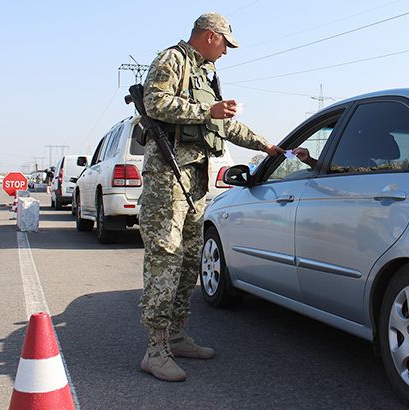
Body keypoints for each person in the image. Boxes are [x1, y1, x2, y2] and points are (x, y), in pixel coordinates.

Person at [138, 12, 283, 382]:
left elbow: (224, 124)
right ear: (208, 35)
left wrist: (264, 145)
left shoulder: (204, 74)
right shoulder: (172, 59)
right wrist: (207, 110)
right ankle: (155, 350)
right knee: (165, 259)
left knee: (189, 260)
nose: (227, 52)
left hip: (194, 182)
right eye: (225, 44)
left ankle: (176, 334)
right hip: (167, 180)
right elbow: (155, 103)